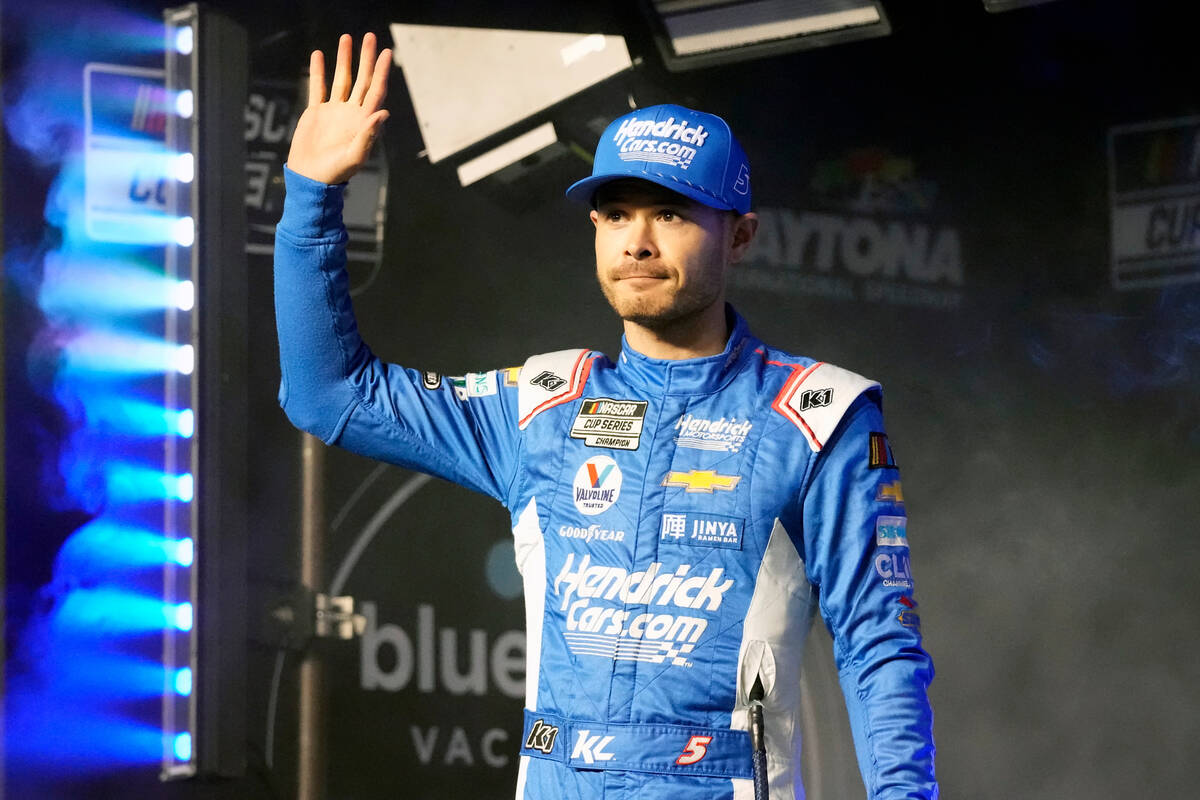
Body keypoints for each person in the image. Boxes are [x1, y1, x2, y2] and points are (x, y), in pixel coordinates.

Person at [275, 32, 937, 800]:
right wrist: (311, 197)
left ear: (741, 234)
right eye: (616, 214)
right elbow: (329, 395)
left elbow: (879, 647)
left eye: (671, 213)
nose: (638, 243)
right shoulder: (543, 406)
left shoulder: (819, 417)